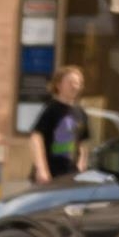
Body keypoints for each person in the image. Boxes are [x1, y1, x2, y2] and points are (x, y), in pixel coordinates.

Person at [29, 60, 91, 190]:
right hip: (49, 176)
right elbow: (36, 138)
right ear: (58, 85)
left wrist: (81, 165)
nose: (75, 86)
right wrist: (42, 169)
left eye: (78, 83)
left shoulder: (81, 112)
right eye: (71, 82)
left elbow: (83, 143)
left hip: (70, 176)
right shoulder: (52, 109)